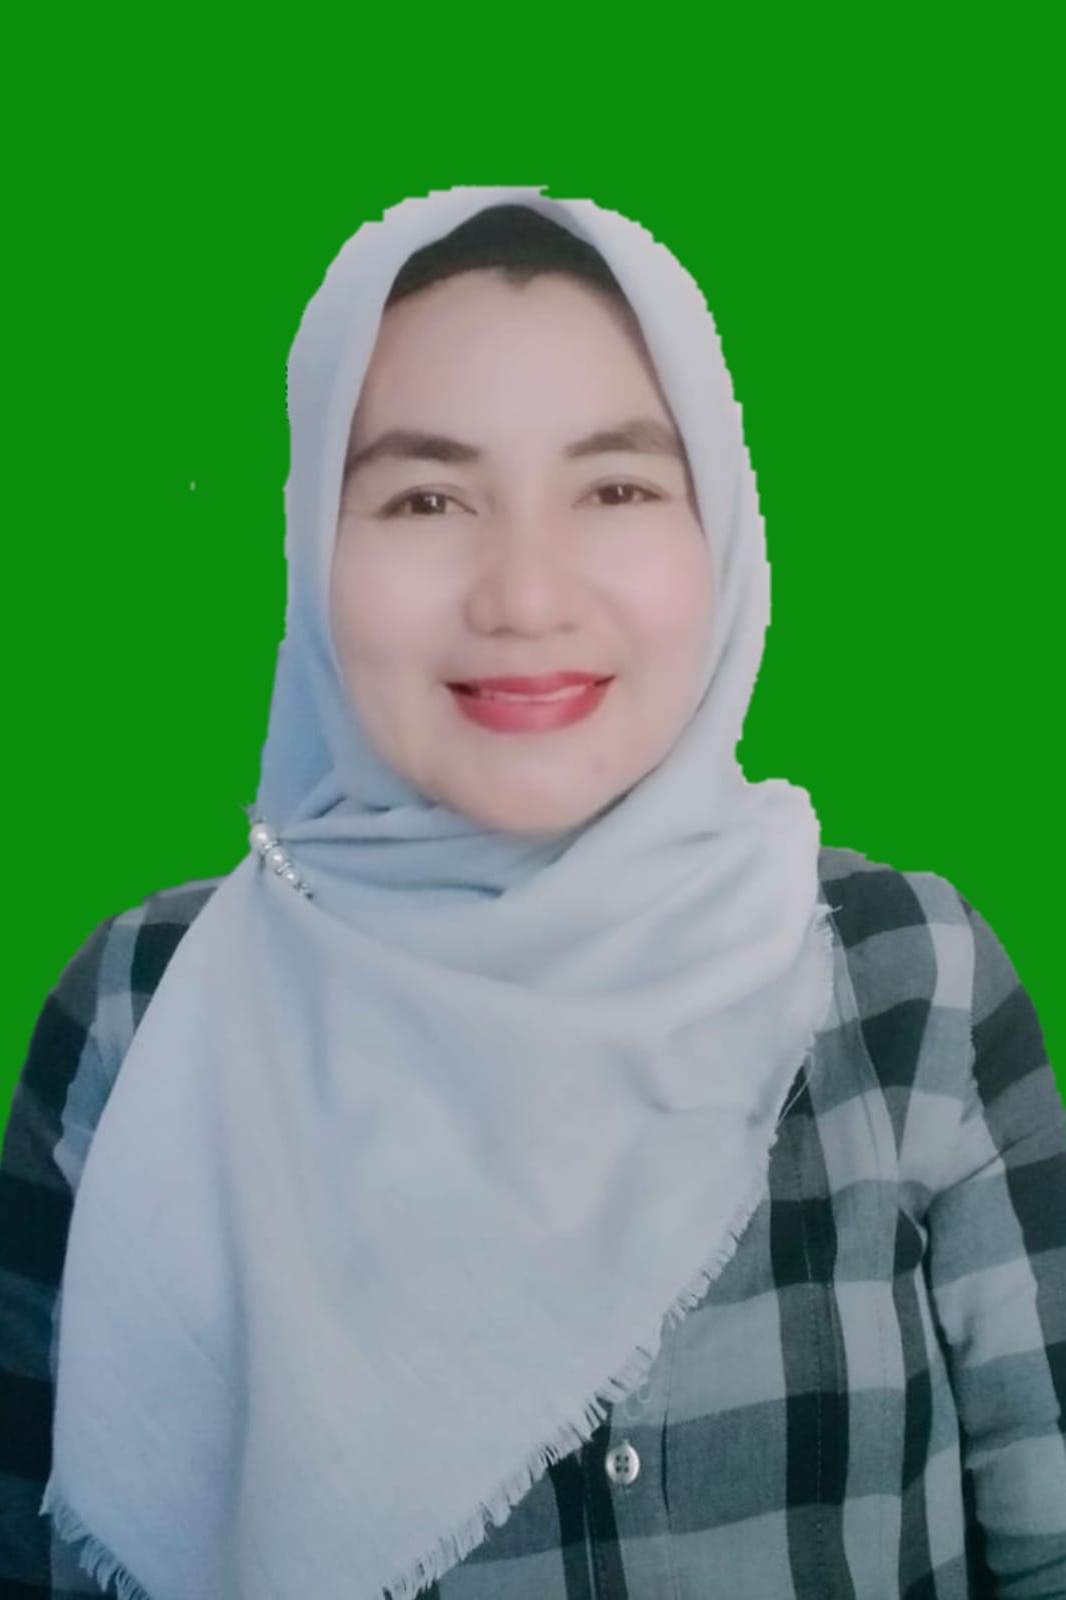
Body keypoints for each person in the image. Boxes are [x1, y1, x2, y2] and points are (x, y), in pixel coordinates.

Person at [2, 185, 1064, 1600]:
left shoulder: (901, 978)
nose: (524, 594)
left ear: (720, 532)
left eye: (616, 487)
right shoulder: (147, 1010)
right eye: (426, 498)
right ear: (314, 546)